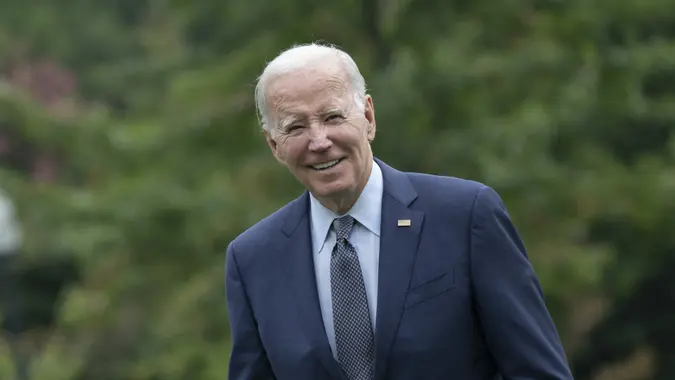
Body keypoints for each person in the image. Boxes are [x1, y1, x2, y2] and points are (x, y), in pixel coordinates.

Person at [225, 42, 574, 380]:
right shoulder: (253, 259)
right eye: (296, 127)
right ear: (275, 145)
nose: (319, 141)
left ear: (368, 117)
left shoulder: (466, 217)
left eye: (332, 116)